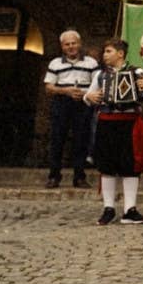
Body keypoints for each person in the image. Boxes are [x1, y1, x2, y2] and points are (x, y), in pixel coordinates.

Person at [84, 38, 143, 225]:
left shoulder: (138, 72)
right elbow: (88, 96)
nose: (104, 55)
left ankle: (129, 210)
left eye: (108, 51)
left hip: (129, 123)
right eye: (104, 52)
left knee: (130, 166)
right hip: (106, 123)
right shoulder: (100, 75)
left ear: (120, 54)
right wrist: (89, 96)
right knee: (107, 166)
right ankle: (108, 208)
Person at [44, 30, 99, 189]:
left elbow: (97, 85)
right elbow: (48, 87)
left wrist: (84, 93)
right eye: (67, 44)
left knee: (81, 140)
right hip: (61, 102)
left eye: (73, 43)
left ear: (79, 44)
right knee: (57, 140)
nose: (71, 47)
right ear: (62, 46)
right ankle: (54, 176)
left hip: (83, 103)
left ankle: (79, 177)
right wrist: (66, 91)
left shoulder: (91, 63)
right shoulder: (55, 63)